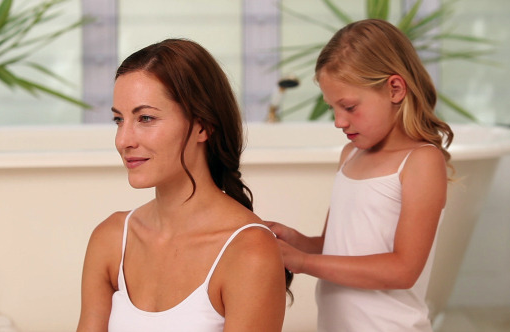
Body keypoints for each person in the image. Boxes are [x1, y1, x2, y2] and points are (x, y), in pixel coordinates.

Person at [77, 39, 291, 332]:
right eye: (118, 120)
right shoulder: (111, 239)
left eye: (146, 118)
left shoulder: (248, 251)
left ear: (202, 126)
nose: (123, 140)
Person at [267, 19, 454, 332]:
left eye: (349, 106)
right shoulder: (350, 155)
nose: (340, 121)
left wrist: (303, 262)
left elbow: (403, 270)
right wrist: (295, 242)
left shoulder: (420, 162)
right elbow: (335, 249)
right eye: (333, 109)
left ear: (395, 89)